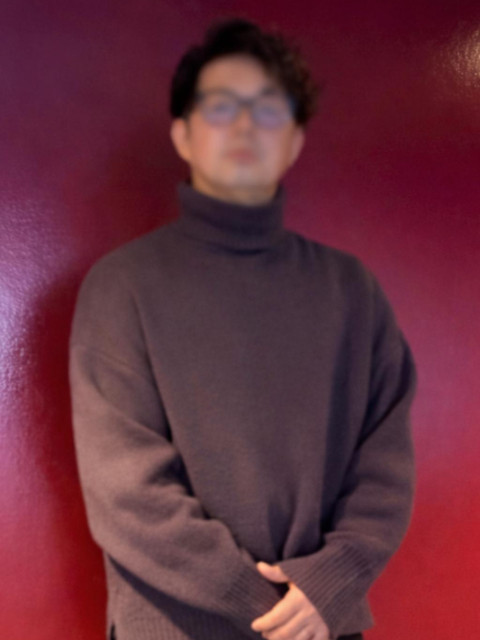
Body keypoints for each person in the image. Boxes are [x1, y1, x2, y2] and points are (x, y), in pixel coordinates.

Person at [69, 16, 417, 640]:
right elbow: (126, 492)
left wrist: (329, 586)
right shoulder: (122, 286)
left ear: (294, 141)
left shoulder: (351, 291)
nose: (244, 125)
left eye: (268, 109)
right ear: (182, 134)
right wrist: (266, 608)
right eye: (221, 106)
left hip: (322, 625)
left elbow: (385, 468)